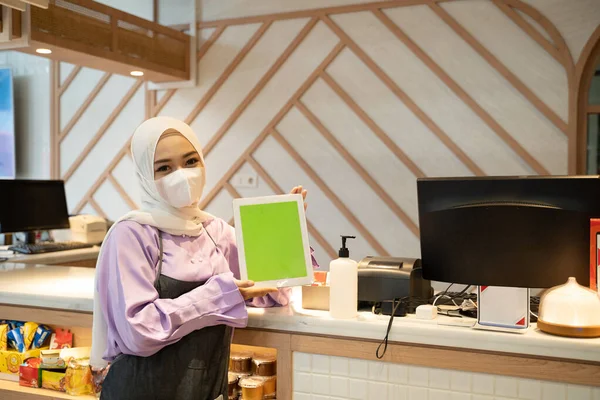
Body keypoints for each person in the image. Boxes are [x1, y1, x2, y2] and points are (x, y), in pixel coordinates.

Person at [90, 116, 317, 400]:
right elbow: (138, 331)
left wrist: (284, 231)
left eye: (190, 162)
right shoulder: (131, 235)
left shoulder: (216, 231)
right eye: (164, 168)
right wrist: (218, 296)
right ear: (146, 176)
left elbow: (275, 293)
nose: (183, 174)